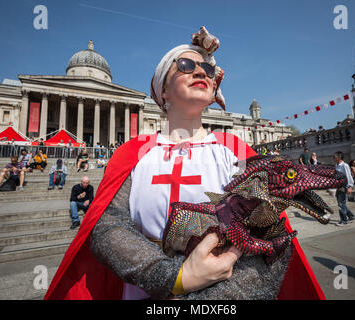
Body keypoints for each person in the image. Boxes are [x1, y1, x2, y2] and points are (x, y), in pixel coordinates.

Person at [45, 26, 324, 301]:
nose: (201, 71)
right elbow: (108, 229)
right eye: (186, 65)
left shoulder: (236, 152)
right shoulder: (132, 154)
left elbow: (272, 238)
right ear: (163, 90)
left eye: (208, 70)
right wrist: (176, 279)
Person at [334, 151, 355, 226]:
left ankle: (344, 221)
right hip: (338, 186)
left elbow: (348, 176)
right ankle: (351, 216)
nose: (334, 158)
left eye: (335, 156)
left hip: (343, 186)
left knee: (341, 204)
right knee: (342, 204)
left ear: (339, 157)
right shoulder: (336, 165)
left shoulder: (344, 165)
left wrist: (349, 187)